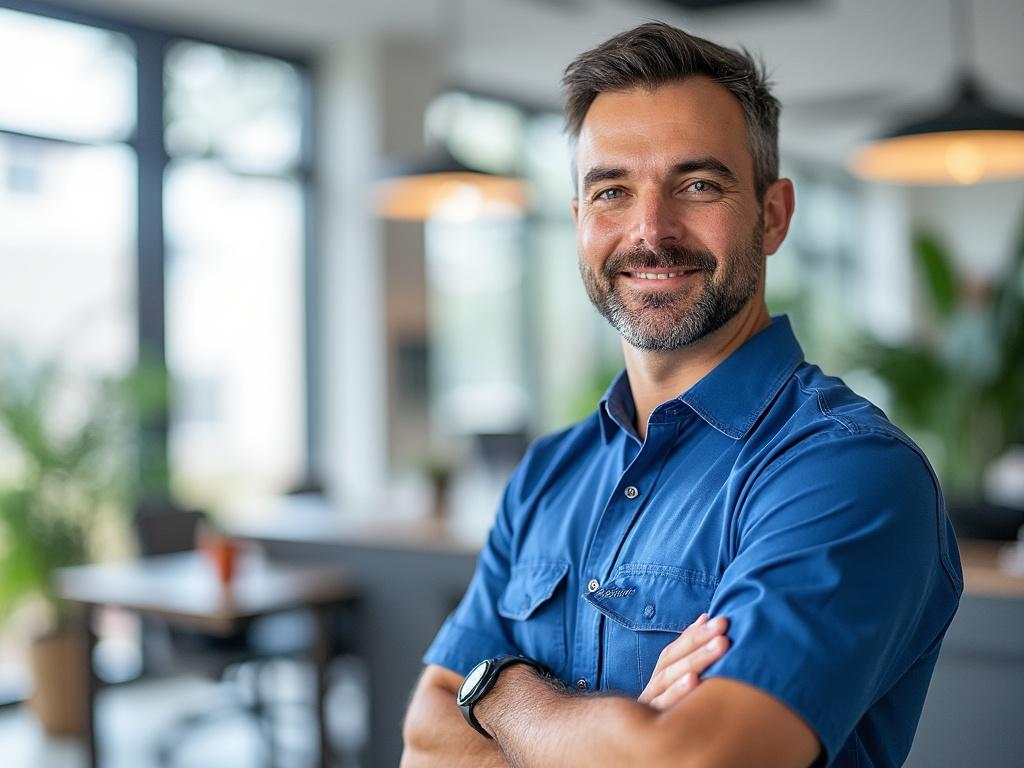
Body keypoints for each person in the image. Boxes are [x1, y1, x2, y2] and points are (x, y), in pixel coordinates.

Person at [402, 21, 962, 768]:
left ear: (773, 214)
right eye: (611, 191)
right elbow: (423, 741)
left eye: (698, 184)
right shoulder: (545, 475)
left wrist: (499, 692)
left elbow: (696, 762)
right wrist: (626, 731)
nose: (650, 230)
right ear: (578, 225)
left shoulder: (848, 472)